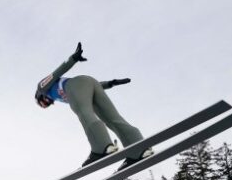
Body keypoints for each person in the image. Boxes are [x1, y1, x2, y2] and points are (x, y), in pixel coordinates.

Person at [34, 42, 152, 170]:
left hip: (76, 85)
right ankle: (139, 150)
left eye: (43, 103)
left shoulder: (42, 87)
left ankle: (102, 148)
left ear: (39, 96)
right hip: (92, 84)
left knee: (85, 113)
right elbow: (86, 88)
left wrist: (72, 59)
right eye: (46, 105)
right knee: (112, 118)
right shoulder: (61, 96)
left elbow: (55, 74)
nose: (46, 103)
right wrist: (110, 83)